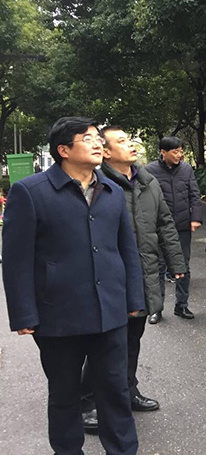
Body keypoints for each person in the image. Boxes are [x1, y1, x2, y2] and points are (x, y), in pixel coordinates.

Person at [2, 117, 144, 455]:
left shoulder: (111, 191)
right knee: (64, 395)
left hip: (109, 312)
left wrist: (134, 299)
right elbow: (17, 259)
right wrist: (24, 314)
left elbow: (127, 249)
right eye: (87, 138)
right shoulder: (31, 192)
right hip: (58, 315)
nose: (97, 143)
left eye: (98, 138)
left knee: (115, 391)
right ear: (64, 150)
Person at [80, 126, 187, 433]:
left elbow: (165, 223)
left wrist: (176, 262)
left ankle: (128, 390)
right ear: (106, 152)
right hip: (111, 278)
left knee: (132, 339)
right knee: (104, 344)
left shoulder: (147, 181)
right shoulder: (98, 185)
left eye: (130, 139)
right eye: (122, 141)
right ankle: (88, 401)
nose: (131, 144)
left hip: (144, 272)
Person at [145, 136, 203, 322]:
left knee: (183, 266)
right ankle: (156, 309)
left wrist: (196, 218)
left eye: (180, 151)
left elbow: (194, 194)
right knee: (159, 266)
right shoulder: (150, 171)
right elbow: (145, 199)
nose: (179, 155)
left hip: (182, 226)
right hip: (160, 227)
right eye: (175, 152)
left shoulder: (186, 169)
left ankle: (182, 305)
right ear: (163, 152)